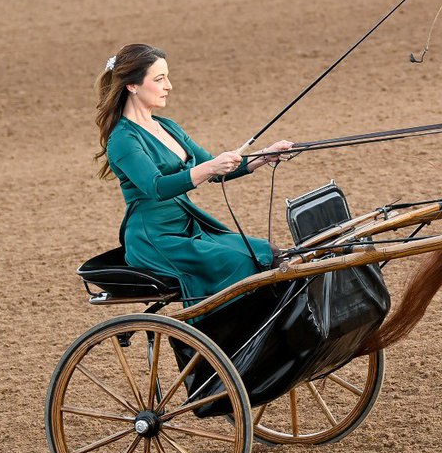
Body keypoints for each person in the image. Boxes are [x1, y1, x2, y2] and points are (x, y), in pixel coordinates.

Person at [95, 44, 293, 302]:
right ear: (132, 86)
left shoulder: (167, 127)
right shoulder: (122, 139)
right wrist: (209, 167)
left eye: (167, 77)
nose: (169, 86)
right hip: (156, 240)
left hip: (189, 227)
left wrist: (265, 155)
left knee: (268, 253)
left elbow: (216, 167)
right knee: (239, 262)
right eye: (159, 79)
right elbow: (157, 188)